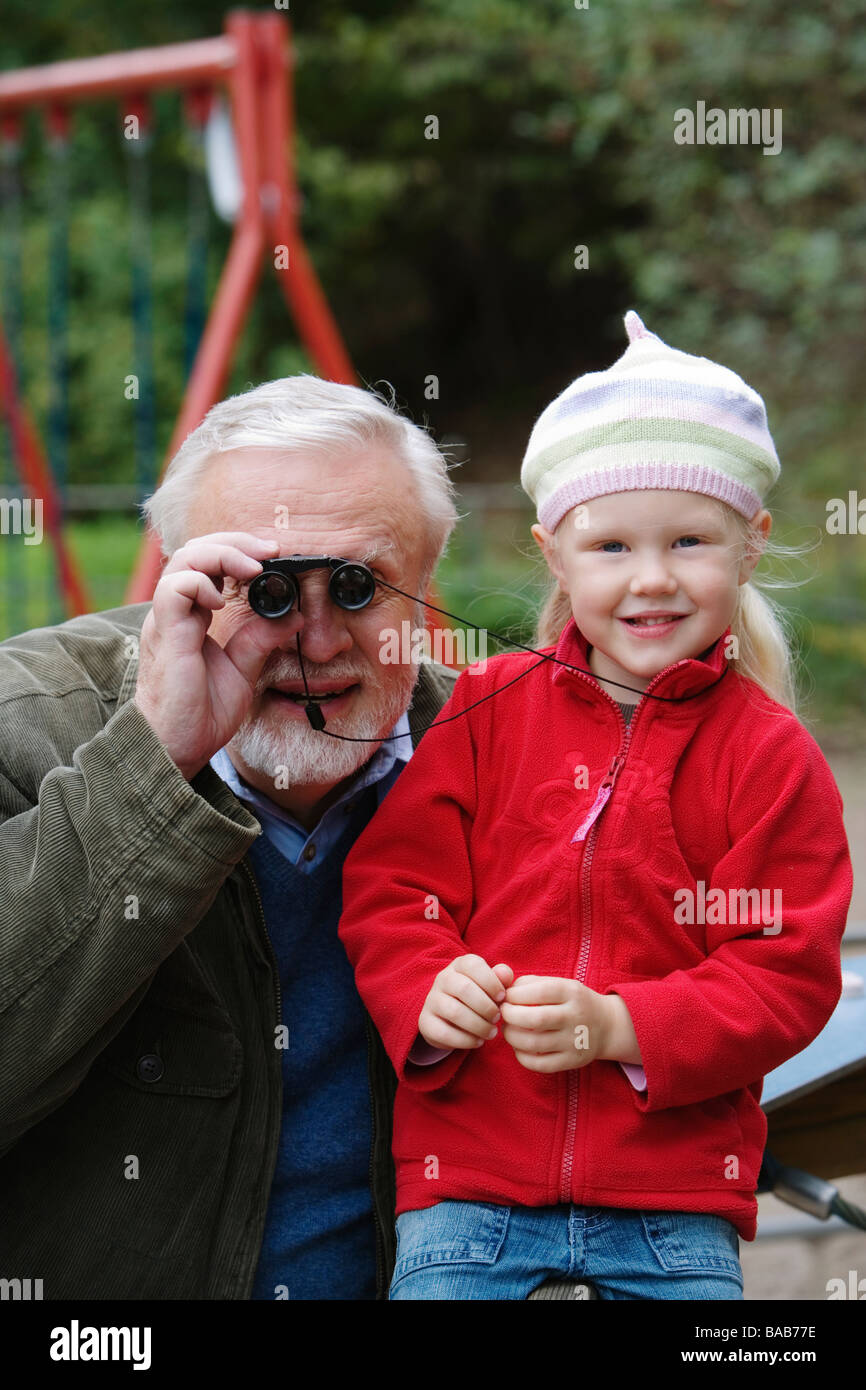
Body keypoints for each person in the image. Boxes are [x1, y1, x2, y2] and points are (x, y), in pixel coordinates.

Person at [337, 311, 854, 1300]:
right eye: (611, 544)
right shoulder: (486, 709)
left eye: (688, 540)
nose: (651, 577)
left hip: (672, 1205)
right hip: (466, 1190)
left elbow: (783, 972)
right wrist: (426, 988)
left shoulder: (769, 756)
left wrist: (624, 1024)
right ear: (553, 553)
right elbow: (393, 886)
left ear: (749, 546)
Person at [0, 375, 467, 1299]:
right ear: (184, 579)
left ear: (425, 593)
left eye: (359, 586)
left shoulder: (503, 765)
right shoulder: (28, 726)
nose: (318, 637)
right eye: (269, 591)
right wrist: (154, 766)